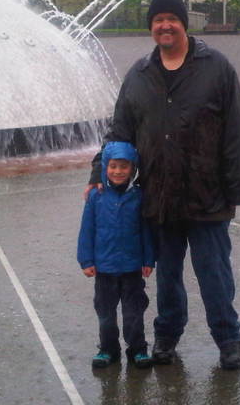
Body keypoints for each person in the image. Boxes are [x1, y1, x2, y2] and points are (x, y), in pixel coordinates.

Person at [85, 0, 240, 370]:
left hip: (207, 197)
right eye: (157, 19)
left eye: (171, 18)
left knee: (215, 276)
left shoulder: (216, 67)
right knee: (167, 280)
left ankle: (228, 339)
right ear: (151, 28)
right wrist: (99, 171)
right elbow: (120, 132)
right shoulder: (140, 75)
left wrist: (234, 191)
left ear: (183, 23)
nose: (164, 25)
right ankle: (166, 337)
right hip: (159, 196)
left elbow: (237, 133)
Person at [78, 141, 155, 369]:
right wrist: (86, 260)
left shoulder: (139, 196)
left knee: (134, 312)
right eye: (112, 166)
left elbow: (146, 231)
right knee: (105, 314)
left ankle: (138, 349)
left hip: (132, 268)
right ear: (105, 167)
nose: (118, 171)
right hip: (104, 269)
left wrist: (148, 259)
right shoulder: (96, 197)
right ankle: (108, 349)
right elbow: (87, 230)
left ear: (133, 169)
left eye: (124, 167)